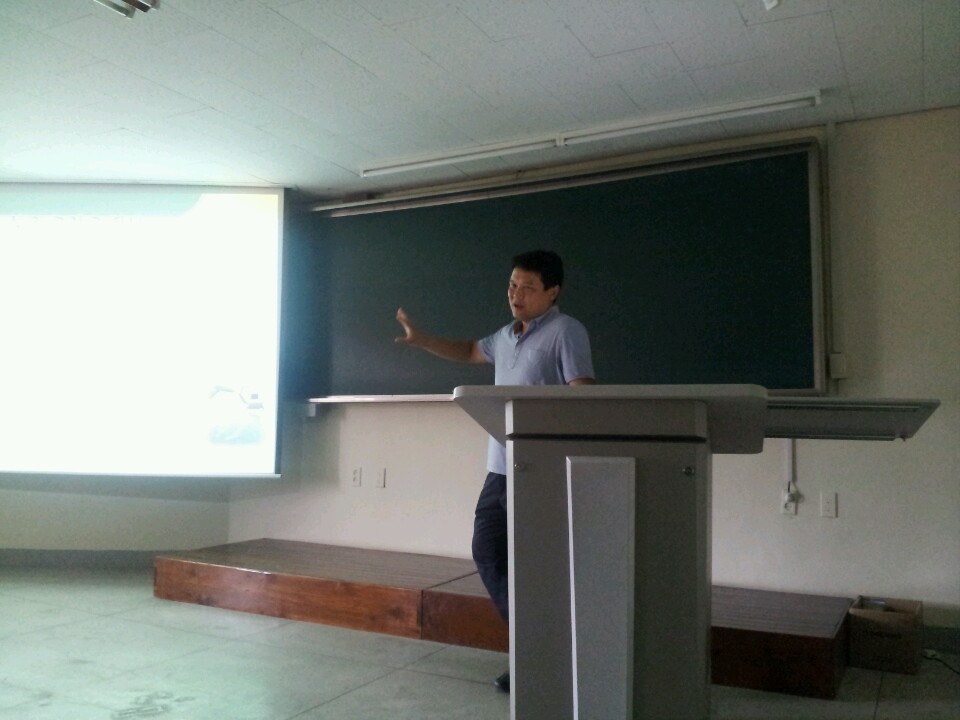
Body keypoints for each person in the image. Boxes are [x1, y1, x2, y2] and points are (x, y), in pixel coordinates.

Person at [395, 249, 595, 693]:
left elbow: (583, 396)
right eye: (512, 285)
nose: (515, 294)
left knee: (536, 565)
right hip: (500, 468)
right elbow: (470, 350)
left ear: (552, 291)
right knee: (487, 551)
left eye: (527, 287)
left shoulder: (566, 331)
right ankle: (536, 646)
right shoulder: (506, 336)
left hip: (541, 471)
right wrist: (422, 339)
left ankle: (543, 654)